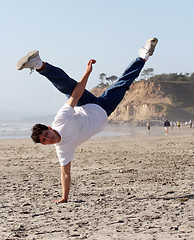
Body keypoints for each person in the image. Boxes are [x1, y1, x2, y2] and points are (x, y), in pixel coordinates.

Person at [16, 38, 158, 203]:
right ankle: (144, 56)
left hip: (87, 104)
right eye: (44, 140)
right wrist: (64, 197)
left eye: (46, 134)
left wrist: (87, 72)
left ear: (49, 127)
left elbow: (76, 93)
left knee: (67, 87)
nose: (49, 139)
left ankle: (39, 64)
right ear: (44, 144)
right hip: (104, 110)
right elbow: (65, 173)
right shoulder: (62, 149)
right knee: (123, 83)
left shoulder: (60, 120)